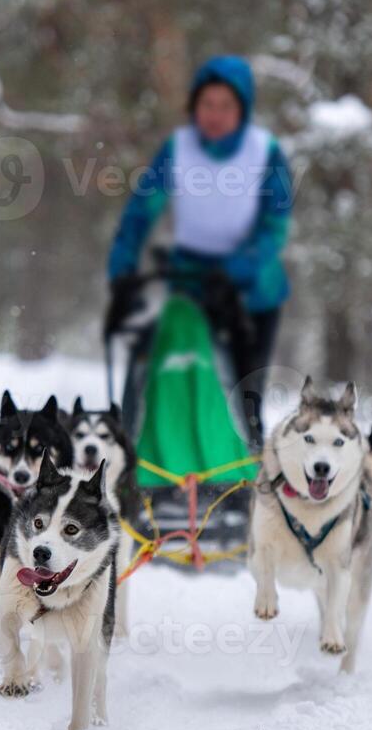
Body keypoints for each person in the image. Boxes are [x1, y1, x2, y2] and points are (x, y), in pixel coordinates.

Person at [106, 55, 294, 442]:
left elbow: (273, 228)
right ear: (194, 106)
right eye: (207, 104)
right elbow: (141, 212)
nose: (215, 114)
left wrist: (235, 270)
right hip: (188, 281)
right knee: (156, 363)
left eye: (226, 106)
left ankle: (247, 467)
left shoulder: (266, 152)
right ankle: (130, 455)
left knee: (243, 389)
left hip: (251, 292)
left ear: (243, 109)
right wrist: (122, 270)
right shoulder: (178, 149)